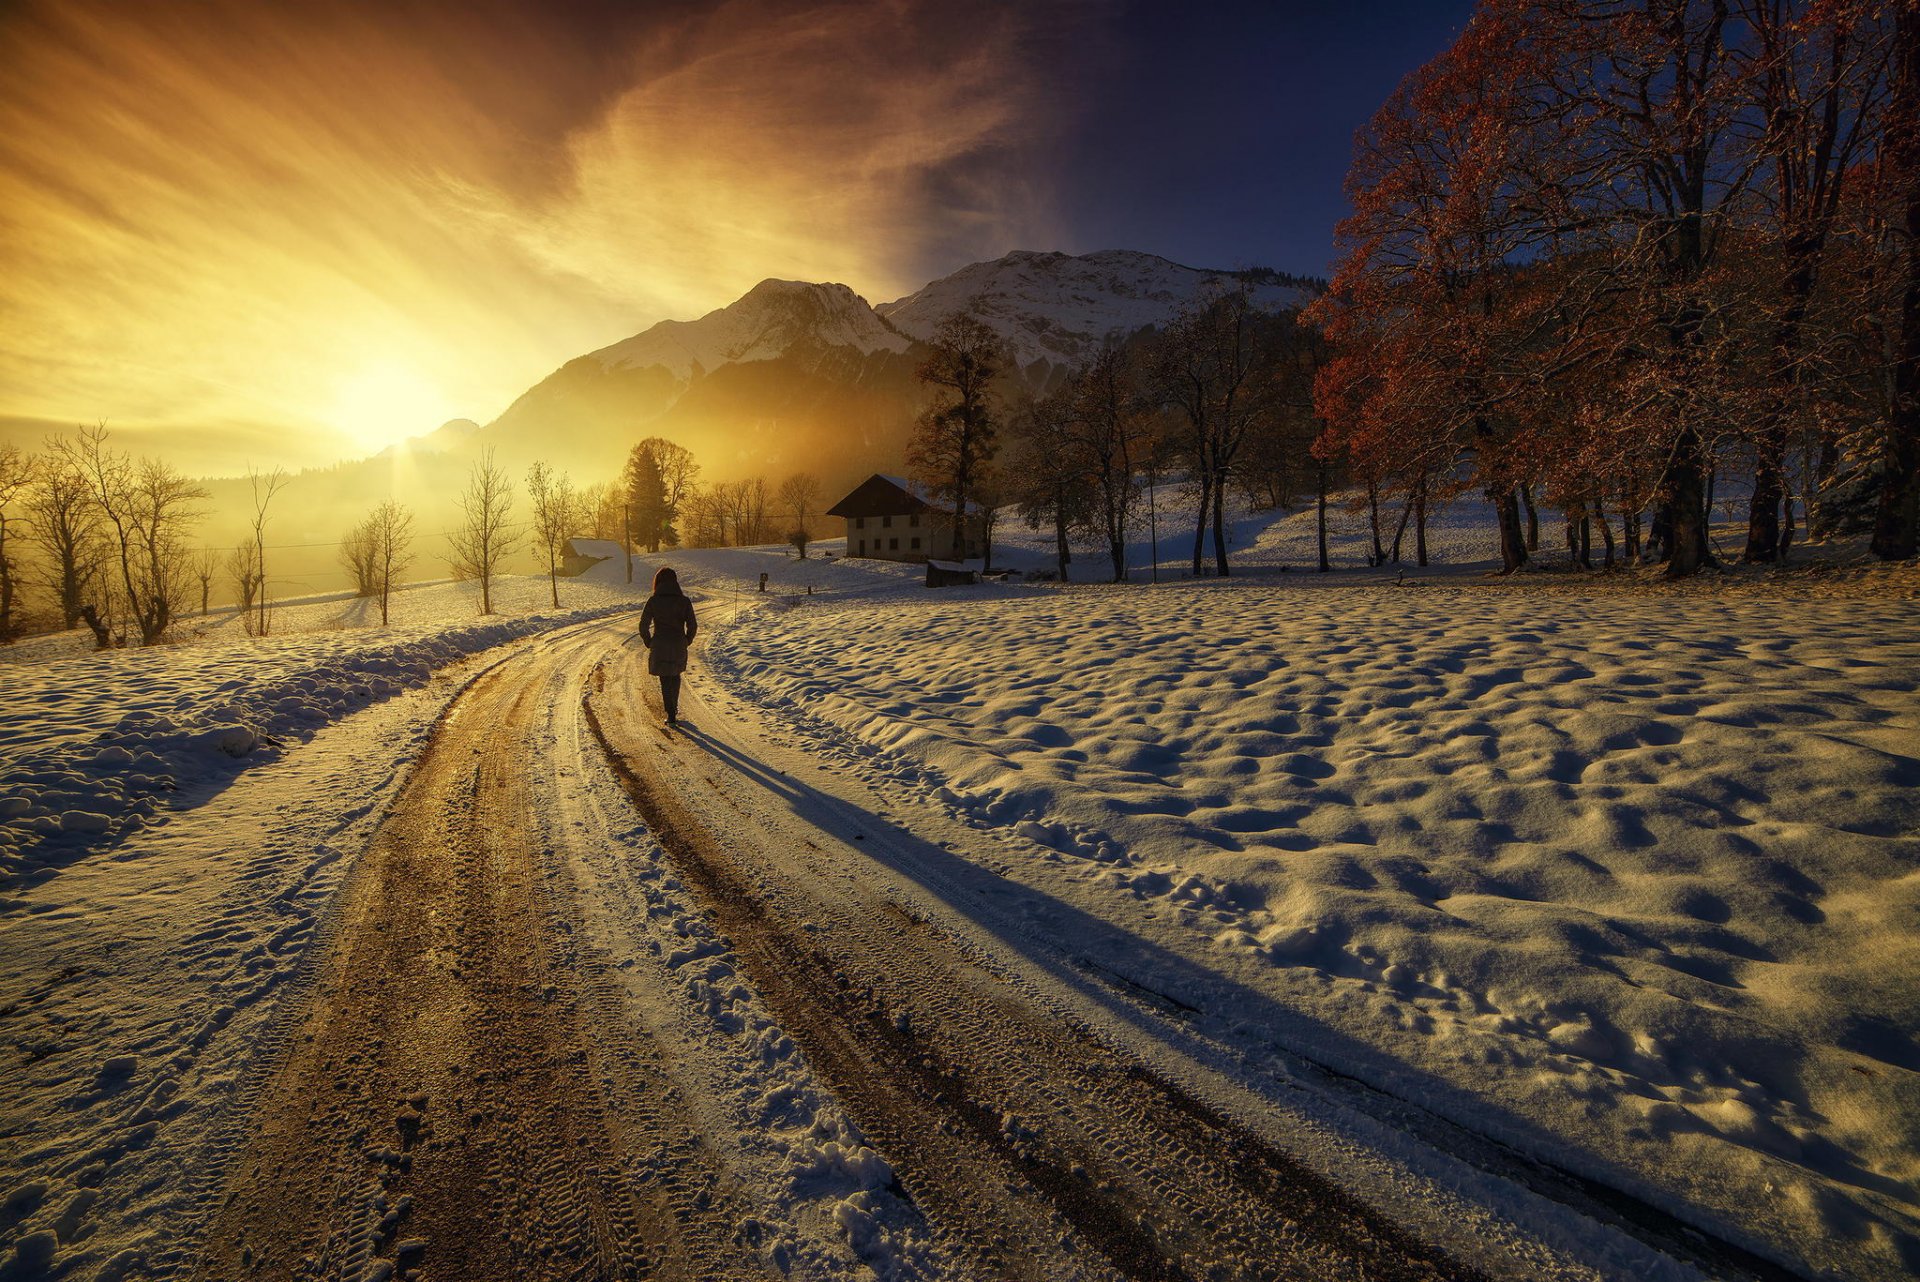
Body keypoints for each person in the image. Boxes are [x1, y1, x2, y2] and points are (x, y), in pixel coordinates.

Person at [639, 565, 698, 725]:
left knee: (665, 678)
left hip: (660, 644)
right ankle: (674, 709)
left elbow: (643, 625)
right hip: (678, 643)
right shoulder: (684, 601)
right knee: (675, 675)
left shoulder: (653, 601)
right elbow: (692, 625)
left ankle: (670, 713)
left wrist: (649, 641)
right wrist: (687, 640)